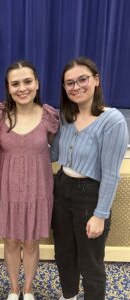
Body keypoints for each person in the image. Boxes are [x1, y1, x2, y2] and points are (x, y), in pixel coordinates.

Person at [50, 57, 129, 300]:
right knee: (64, 254)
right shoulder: (65, 116)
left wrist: (100, 214)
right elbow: (53, 153)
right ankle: (69, 296)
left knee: (90, 261)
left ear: (96, 80)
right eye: (69, 83)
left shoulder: (112, 120)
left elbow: (111, 174)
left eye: (82, 79)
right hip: (61, 188)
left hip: (90, 195)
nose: (76, 86)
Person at [0, 60, 59, 300]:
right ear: (8, 88)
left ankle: (27, 290)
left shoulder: (49, 117)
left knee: (30, 244)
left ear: (37, 84)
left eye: (27, 81)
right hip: (7, 192)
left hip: (38, 192)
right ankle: (13, 289)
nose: (22, 88)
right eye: (15, 83)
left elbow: (61, 148)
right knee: (10, 243)